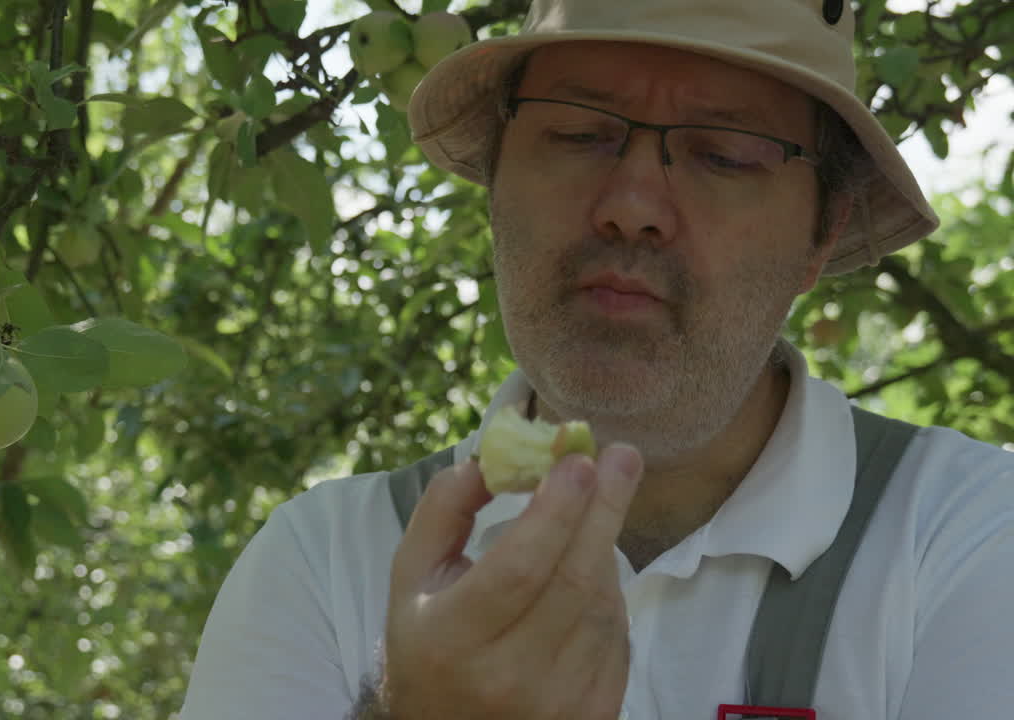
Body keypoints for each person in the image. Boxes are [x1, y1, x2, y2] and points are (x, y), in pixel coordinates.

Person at [179, 0, 1014, 717]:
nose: (631, 208)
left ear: (819, 236)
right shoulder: (324, 562)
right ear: (494, 186)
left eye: (725, 152)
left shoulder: (967, 538)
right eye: (579, 135)